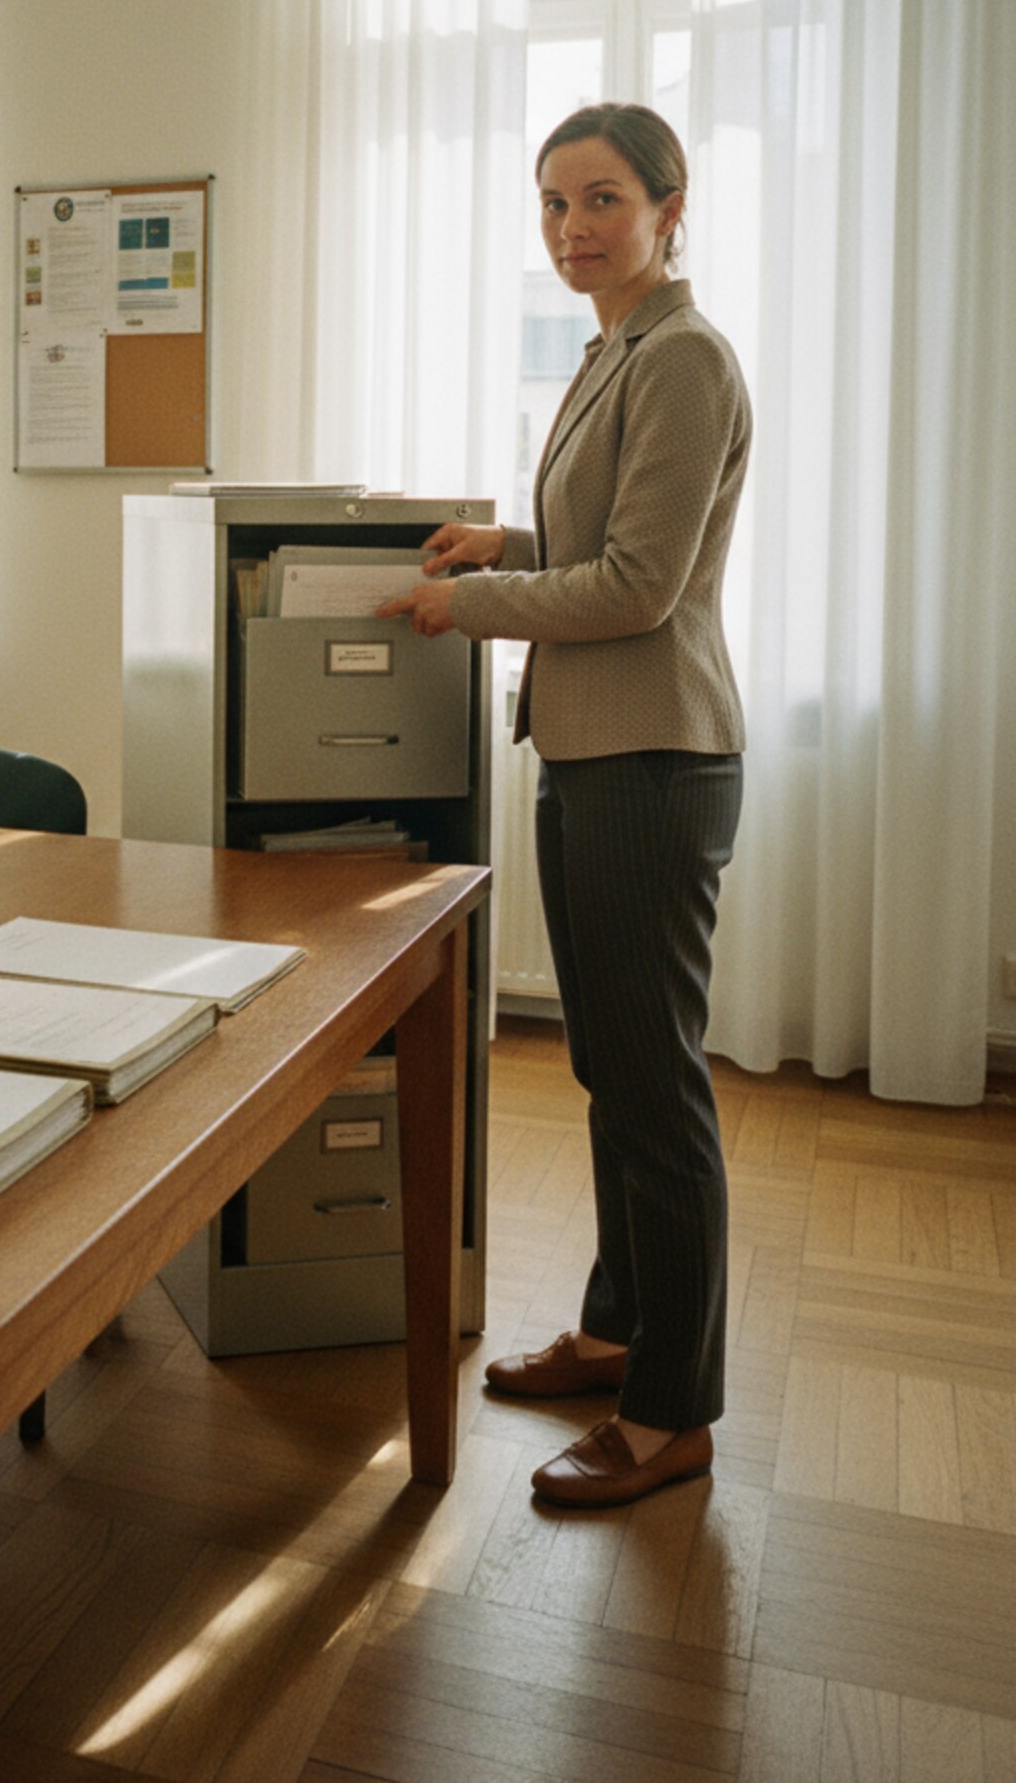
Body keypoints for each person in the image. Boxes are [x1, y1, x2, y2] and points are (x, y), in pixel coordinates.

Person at [378, 101, 750, 1508]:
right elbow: (608, 544)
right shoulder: (617, 350)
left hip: (653, 759)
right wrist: (510, 544)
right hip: (597, 753)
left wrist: (467, 602)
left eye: (601, 199)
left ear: (669, 208)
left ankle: (671, 1414)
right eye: (552, 203)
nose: (572, 227)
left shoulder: (685, 357)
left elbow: (640, 588)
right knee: (613, 1070)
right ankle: (617, 1330)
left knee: (657, 1089)